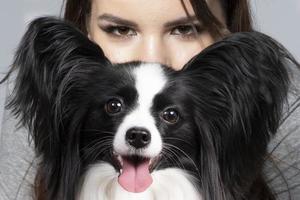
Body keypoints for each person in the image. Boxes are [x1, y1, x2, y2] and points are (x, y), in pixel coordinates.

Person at [0, 0, 299, 200]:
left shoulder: (292, 123)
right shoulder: (29, 125)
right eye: (120, 29)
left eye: (185, 29)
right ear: (84, 28)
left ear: (226, 31)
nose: (151, 57)